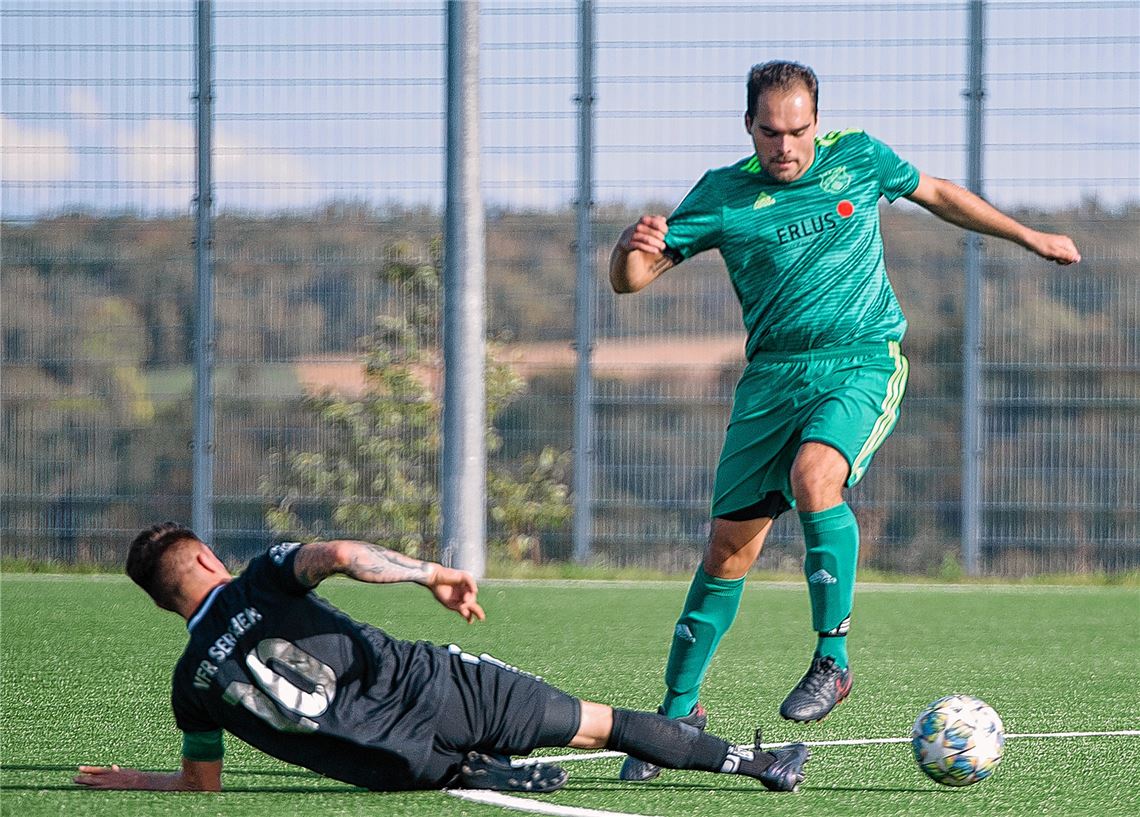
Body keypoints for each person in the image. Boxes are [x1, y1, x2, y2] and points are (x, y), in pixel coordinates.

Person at [609, 60, 1080, 781]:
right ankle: (676, 718)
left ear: (817, 123)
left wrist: (1028, 235)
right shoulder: (723, 193)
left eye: (799, 130)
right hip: (770, 381)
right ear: (749, 126)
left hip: (859, 360)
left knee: (815, 475)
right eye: (771, 131)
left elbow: (941, 195)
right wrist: (627, 251)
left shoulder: (858, 156)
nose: (786, 146)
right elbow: (635, 280)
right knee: (728, 550)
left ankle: (833, 657)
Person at [73, 522, 810, 794]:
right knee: (603, 723)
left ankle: (471, 768)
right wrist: (430, 572)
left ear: (160, 599)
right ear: (203, 556)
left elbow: (200, 783)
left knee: (428, 762)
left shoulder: (190, 685)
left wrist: (132, 778)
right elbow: (339, 554)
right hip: (437, 685)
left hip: (390, 765)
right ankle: (758, 767)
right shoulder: (262, 573)